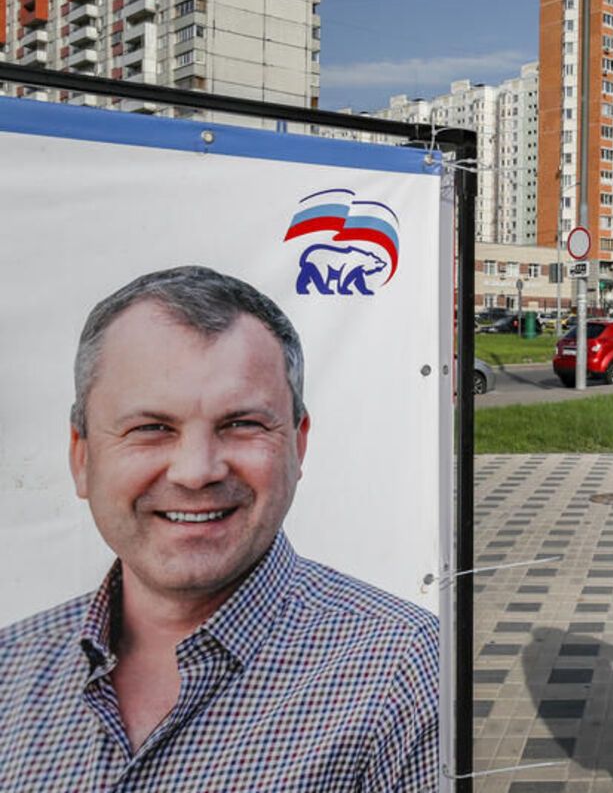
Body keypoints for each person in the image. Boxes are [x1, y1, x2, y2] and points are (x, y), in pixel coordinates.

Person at [0, 266, 440, 791]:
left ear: (297, 445)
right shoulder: (11, 667)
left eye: (241, 425)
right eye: (151, 429)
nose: (196, 471)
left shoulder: (408, 673)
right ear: (82, 456)